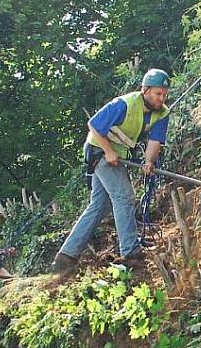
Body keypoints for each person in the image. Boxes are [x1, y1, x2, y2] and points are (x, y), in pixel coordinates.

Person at [52, 69, 171, 277]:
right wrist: (108, 151)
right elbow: (94, 125)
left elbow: (155, 142)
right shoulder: (124, 104)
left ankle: (66, 256)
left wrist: (149, 162)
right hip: (99, 151)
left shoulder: (162, 113)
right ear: (145, 90)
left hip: (117, 156)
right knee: (124, 197)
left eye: (164, 94)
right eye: (157, 94)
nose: (161, 98)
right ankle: (131, 253)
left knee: (101, 205)